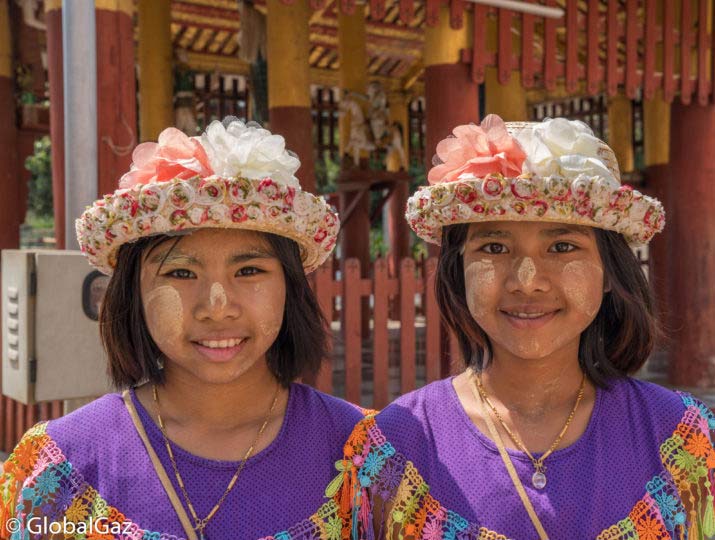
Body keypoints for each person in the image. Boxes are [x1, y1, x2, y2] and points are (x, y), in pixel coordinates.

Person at [344, 115, 715, 539]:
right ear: (457, 269)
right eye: (494, 247)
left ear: (610, 271)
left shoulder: (679, 438)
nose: (526, 280)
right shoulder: (397, 446)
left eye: (562, 246)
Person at [0, 118, 365, 540]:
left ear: (291, 286)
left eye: (249, 270)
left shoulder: (364, 454)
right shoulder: (62, 465)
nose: (217, 307)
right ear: (133, 292)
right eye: (179, 272)